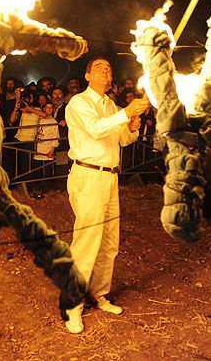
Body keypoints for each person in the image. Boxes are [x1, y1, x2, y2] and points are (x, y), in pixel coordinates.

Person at [63, 57, 148, 334]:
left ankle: (98, 293)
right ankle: (71, 305)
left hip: (110, 176)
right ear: (87, 76)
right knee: (87, 241)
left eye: (109, 68)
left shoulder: (111, 105)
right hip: (88, 176)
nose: (105, 70)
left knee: (109, 242)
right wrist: (126, 113)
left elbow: (122, 139)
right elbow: (97, 129)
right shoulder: (79, 103)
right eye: (99, 67)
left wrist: (132, 126)